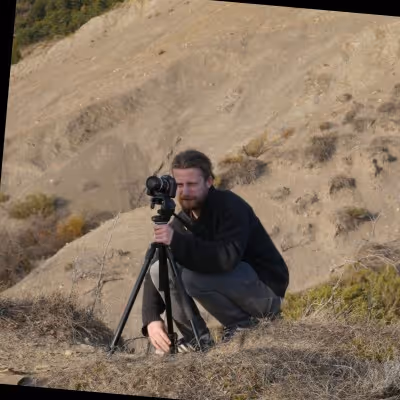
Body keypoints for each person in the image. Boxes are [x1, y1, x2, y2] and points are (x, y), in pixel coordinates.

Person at [141, 149, 289, 354]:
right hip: (239, 287)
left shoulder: (229, 206)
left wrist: (176, 241)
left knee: (191, 277)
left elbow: (226, 258)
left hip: (265, 293)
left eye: (192, 184)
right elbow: (156, 265)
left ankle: (241, 325)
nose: (185, 191)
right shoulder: (182, 221)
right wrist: (152, 318)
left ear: (209, 181)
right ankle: (196, 338)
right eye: (180, 185)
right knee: (159, 269)